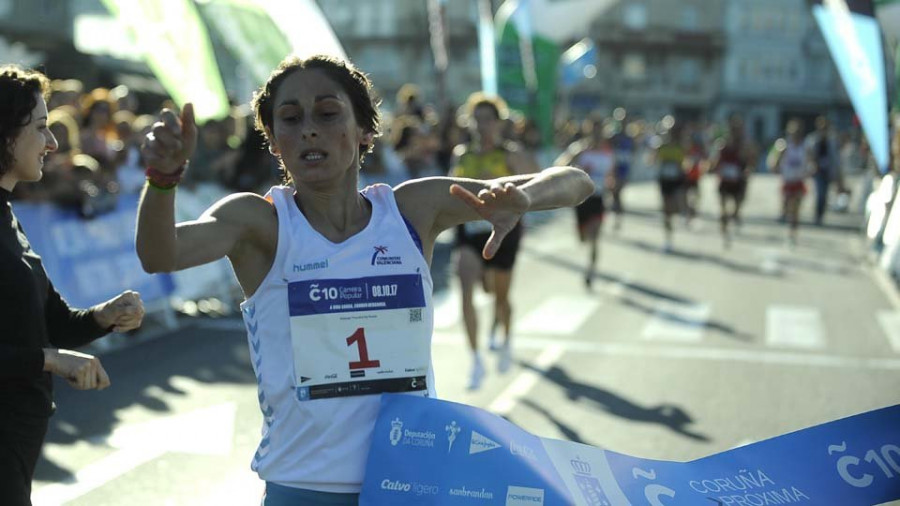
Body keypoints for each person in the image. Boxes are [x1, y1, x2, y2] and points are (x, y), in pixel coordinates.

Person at [136, 55, 592, 505]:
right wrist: (162, 180)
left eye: (328, 113)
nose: (309, 129)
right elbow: (160, 254)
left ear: (365, 131)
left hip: (410, 483)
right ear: (273, 142)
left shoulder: (414, 208)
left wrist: (522, 197)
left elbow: (575, 181)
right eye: (290, 119)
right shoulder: (260, 223)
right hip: (305, 489)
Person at [0, 65, 145, 506]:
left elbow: (52, 325)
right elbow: (45, 349)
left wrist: (106, 315)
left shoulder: (7, 215)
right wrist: (47, 360)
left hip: (18, 445)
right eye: (42, 128)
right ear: (5, 135)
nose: (54, 143)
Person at [449, 92, 540, 390]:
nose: (483, 125)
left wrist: (503, 186)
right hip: (469, 231)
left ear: (499, 123)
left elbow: (537, 183)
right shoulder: (463, 155)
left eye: (489, 119)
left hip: (504, 231)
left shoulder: (511, 154)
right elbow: (450, 188)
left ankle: (506, 339)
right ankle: (475, 360)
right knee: (465, 285)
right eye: (478, 119)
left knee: (498, 296)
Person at [555, 116, 615, 289]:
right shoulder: (580, 149)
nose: (597, 133)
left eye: (600, 129)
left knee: (595, 237)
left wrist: (612, 186)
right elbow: (560, 164)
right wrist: (578, 171)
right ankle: (587, 249)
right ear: (589, 130)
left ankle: (591, 270)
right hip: (581, 199)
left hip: (598, 198)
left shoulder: (607, 151)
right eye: (594, 129)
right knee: (583, 238)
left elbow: (611, 175)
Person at [711, 116, 755, 248]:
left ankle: (734, 216)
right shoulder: (722, 144)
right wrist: (713, 167)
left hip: (739, 181)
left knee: (736, 208)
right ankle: (725, 235)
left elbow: (750, 161)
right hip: (725, 181)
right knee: (723, 210)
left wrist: (747, 170)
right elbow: (715, 160)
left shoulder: (745, 145)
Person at [769, 119, 809, 246]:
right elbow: (774, 160)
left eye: (798, 133)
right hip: (788, 181)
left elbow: (811, 161)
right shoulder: (784, 146)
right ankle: (785, 215)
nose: (795, 135)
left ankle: (792, 234)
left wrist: (812, 168)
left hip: (798, 181)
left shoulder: (805, 147)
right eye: (793, 133)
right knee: (787, 208)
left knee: (796, 210)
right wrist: (775, 167)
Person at [655, 119, 687, 253]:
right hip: (665, 180)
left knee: (676, 206)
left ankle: (681, 212)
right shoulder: (662, 146)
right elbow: (656, 160)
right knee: (666, 211)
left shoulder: (681, 146)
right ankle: (668, 238)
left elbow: (684, 163)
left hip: (677, 180)